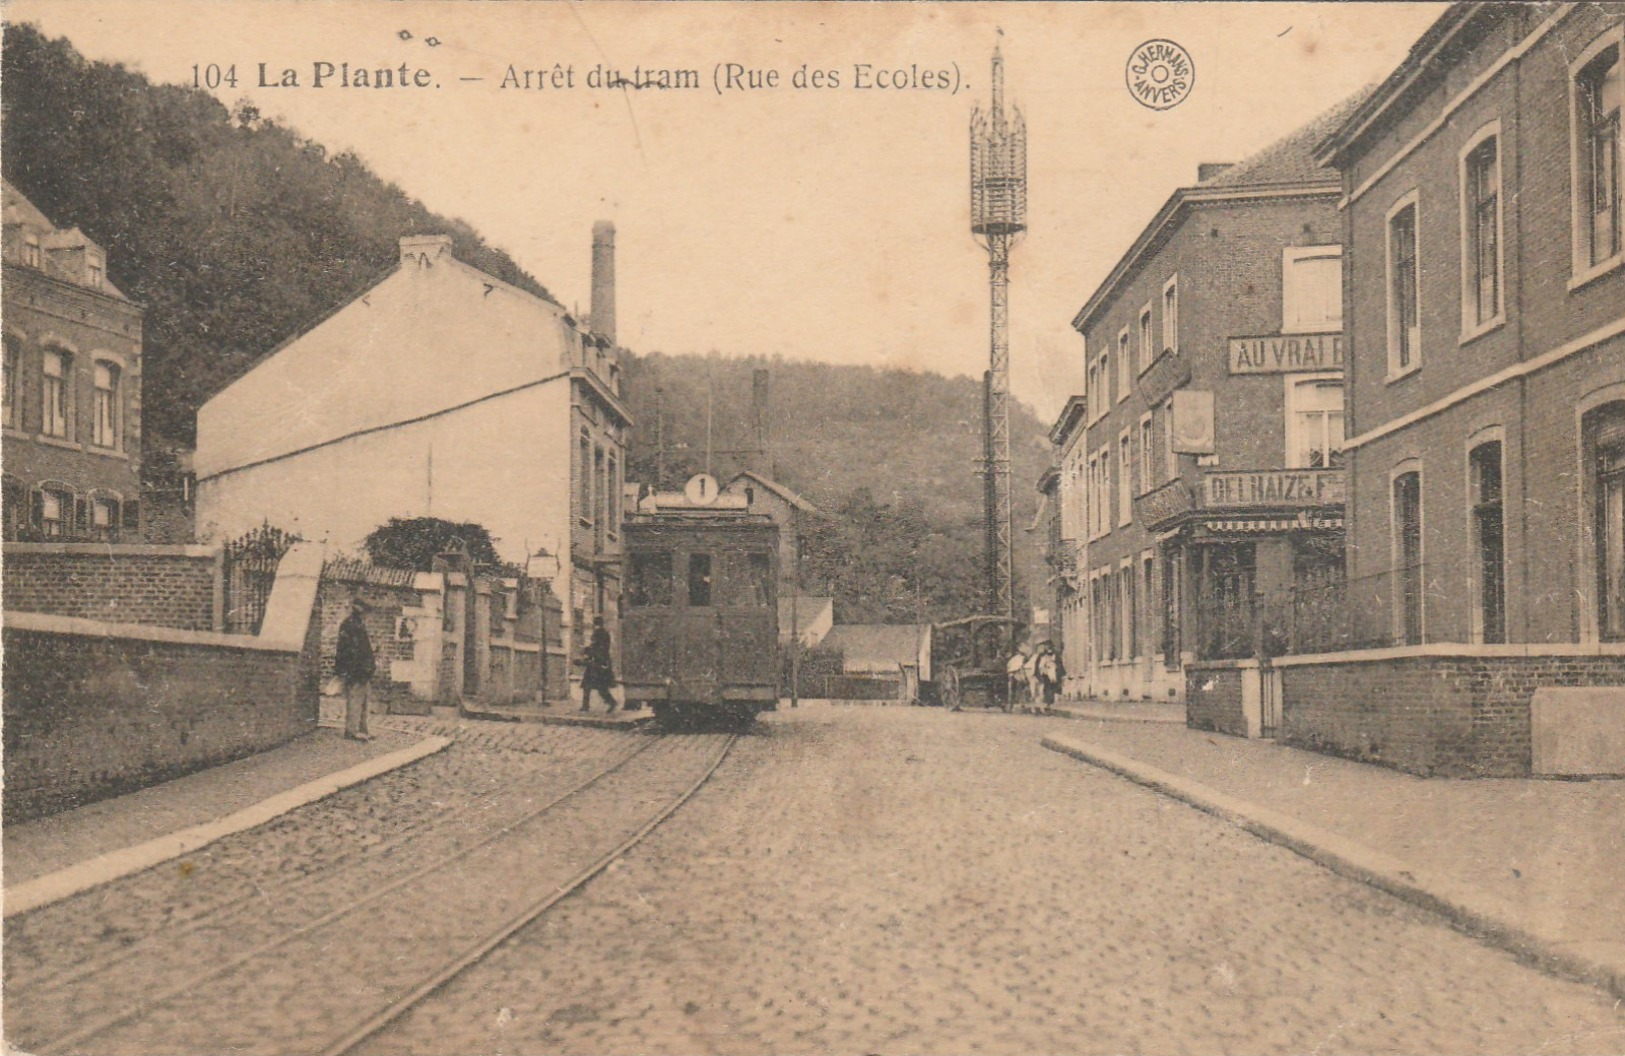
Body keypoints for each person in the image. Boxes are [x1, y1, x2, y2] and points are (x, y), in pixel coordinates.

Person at [335, 597, 377, 741]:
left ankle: (363, 729)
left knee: (364, 700)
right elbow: (350, 651)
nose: (367, 615)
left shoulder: (357, 624)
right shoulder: (350, 625)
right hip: (356, 670)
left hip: (363, 670)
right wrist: (355, 669)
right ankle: (351, 731)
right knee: (355, 700)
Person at [582, 615, 619, 713]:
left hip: (598, 663)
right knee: (592, 686)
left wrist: (587, 652)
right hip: (599, 662)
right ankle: (585, 706)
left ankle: (611, 703)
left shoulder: (598, 634)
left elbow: (596, 648)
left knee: (597, 687)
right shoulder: (604, 633)